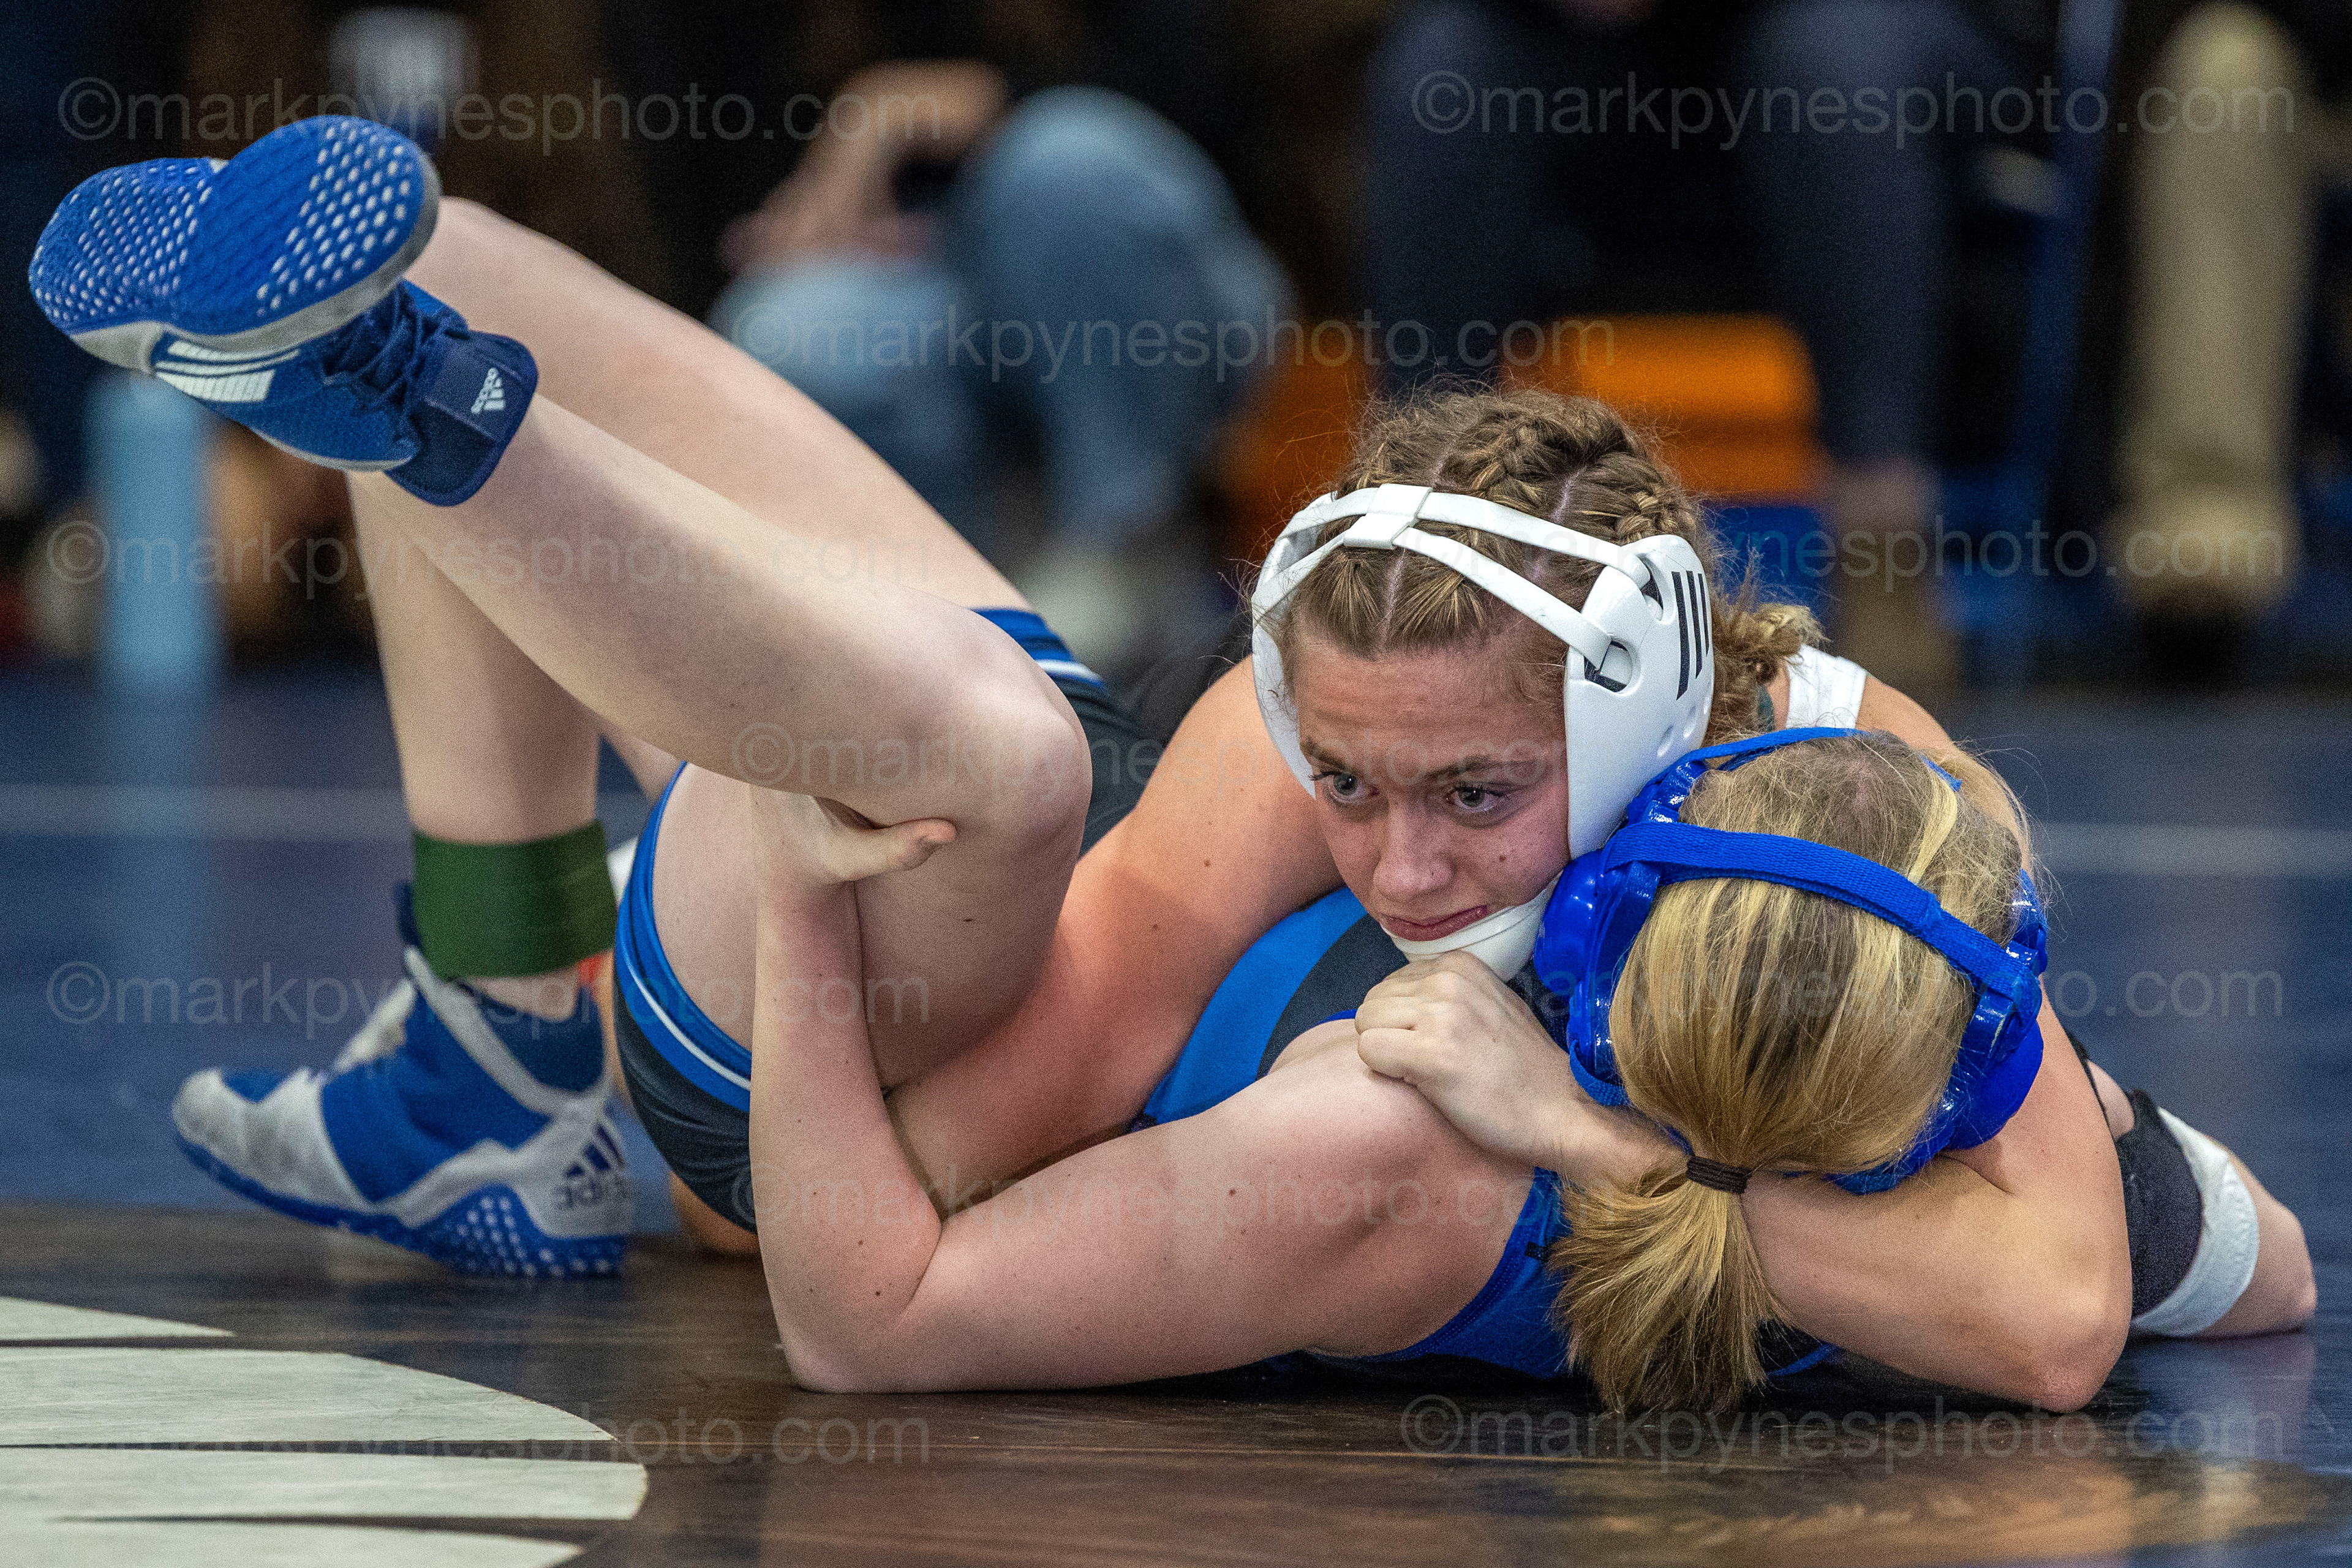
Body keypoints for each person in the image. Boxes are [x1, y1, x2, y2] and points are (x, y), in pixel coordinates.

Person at [32, 119, 2305, 1403]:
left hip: (833, 984)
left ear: (1642, 706)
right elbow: (938, 1189)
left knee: (986, 757)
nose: (1401, 868)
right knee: (494, 271)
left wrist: (793, 886)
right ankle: (493, 997)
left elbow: (2083, 1299)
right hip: (883, 1013)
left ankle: (426, 472)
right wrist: (783, 859)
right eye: (1349, 778)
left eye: (1473, 800)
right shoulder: (1260, 791)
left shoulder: (1844, 802)